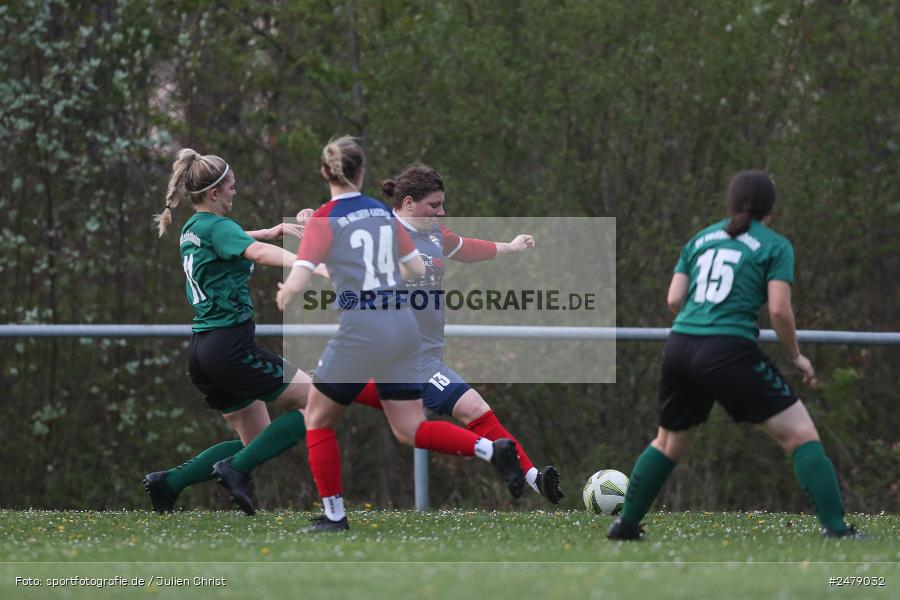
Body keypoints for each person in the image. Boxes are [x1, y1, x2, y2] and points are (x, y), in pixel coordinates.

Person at [277, 136, 526, 532]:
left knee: (318, 417)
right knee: (408, 428)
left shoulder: (327, 217)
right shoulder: (380, 214)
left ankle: (334, 516)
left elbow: (301, 275)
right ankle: (490, 449)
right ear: (361, 173)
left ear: (326, 173)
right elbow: (412, 270)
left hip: (363, 329)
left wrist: (288, 290)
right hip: (405, 330)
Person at [606, 170, 860, 540]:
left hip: (680, 345)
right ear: (769, 208)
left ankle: (625, 525)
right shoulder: (775, 245)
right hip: (727, 349)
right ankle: (837, 530)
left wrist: (700, 326)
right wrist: (795, 356)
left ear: (730, 202)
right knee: (801, 435)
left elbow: (674, 299)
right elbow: (778, 310)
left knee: (668, 442)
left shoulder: (700, 239)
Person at [369, 163, 564, 504]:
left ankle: (534, 479)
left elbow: (468, 248)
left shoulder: (433, 235)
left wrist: (512, 247)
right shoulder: (378, 231)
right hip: (398, 354)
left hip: (424, 354)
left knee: (317, 404)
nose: (442, 212)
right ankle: (502, 458)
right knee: (468, 409)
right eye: (435, 205)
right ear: (410, 202)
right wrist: (310, 220)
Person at [142, 149, 313, 515]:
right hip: (231, 348)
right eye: (232, 188)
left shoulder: (193, 227)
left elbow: (228, 238)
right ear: (215, 192)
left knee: (254, 442)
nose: (236, 192)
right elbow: (257, 253)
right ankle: (233, 471)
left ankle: (167, 483)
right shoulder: (221, 229)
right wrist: (303, 261)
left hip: (203, 352)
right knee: (317, 404)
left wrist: (269, 231)